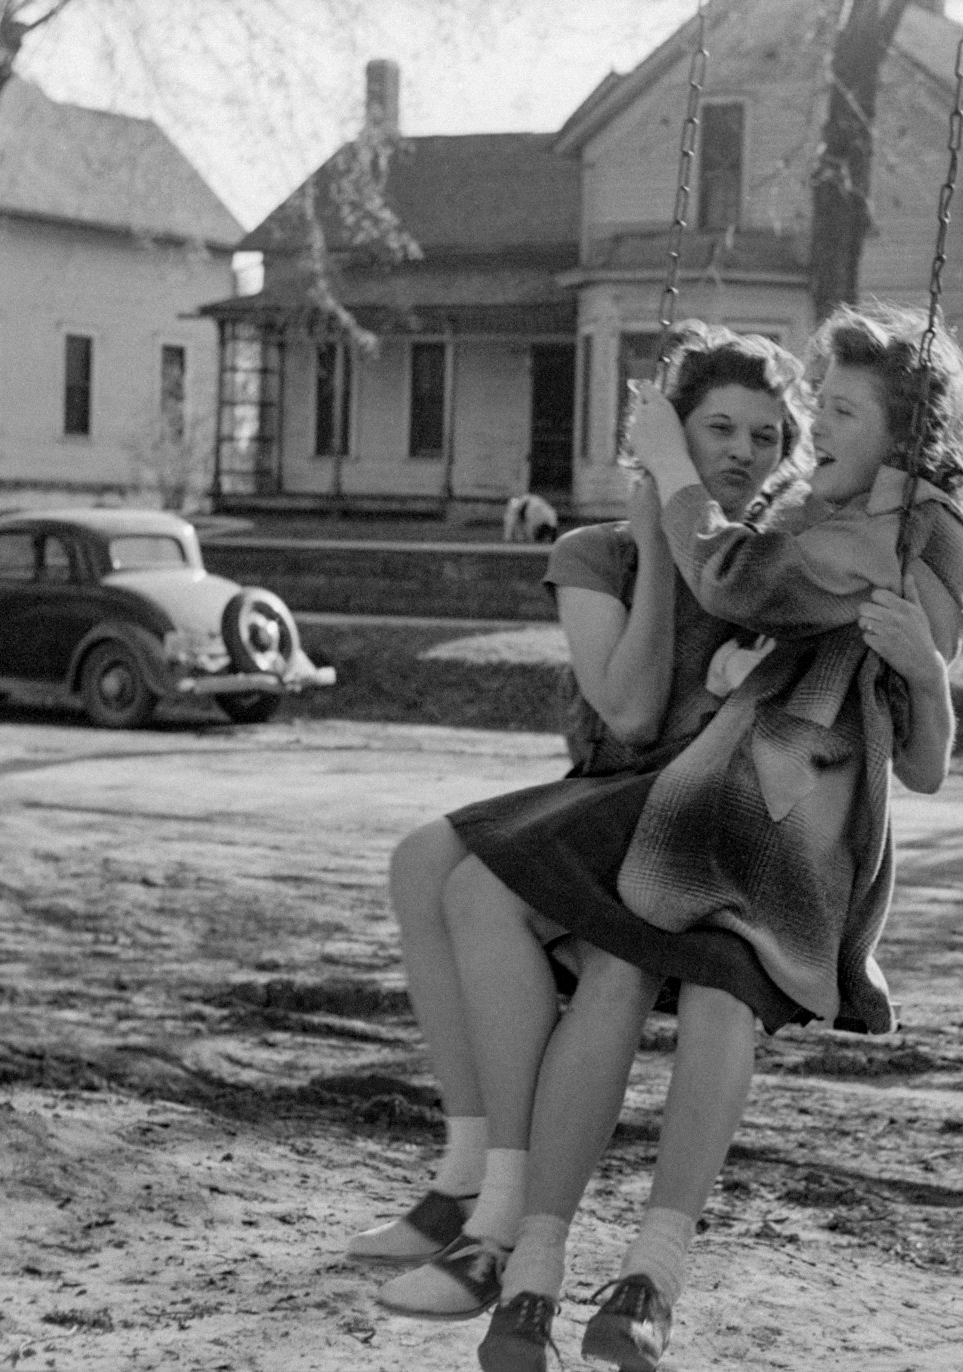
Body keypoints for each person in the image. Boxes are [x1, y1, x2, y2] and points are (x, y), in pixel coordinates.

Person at [468, 301, 963, 1372]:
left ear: (900, 431)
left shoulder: (909, 536)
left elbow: (744, 587)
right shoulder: (824, 508)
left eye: (840, 408)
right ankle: (533, 1275)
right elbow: (757, 610)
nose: (820, 426)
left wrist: (672, 470)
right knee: (617, 969)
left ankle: (649, 1278)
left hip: (792, 828)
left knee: (720, 989)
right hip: (707, 794)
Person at [349, 327, 809, 1313]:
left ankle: (497, 1222)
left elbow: (657, 725)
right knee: (419, 859)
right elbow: (627, 707)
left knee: (490, 893)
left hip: (678, 819)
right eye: (716, 429)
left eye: (765, 438)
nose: (740, 451)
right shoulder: (594, 552)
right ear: (670, 438)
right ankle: (466, 1167)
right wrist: (653, 531)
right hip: (603, 788)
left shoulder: (765, 569)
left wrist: (685, 543)